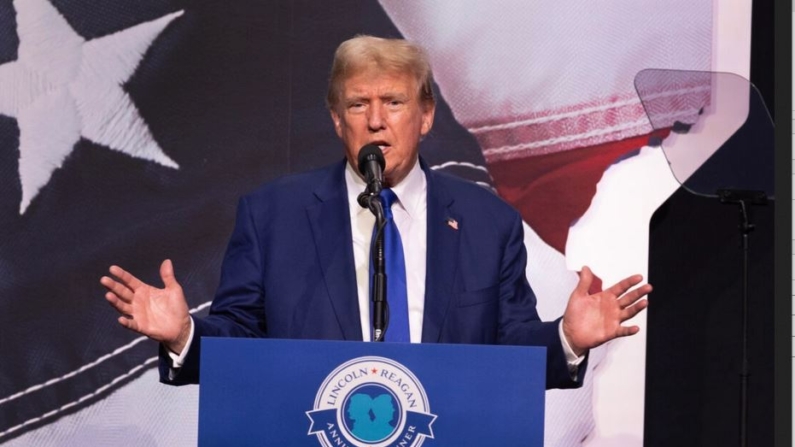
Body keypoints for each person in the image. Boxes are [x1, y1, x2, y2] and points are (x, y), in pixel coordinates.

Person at [100, 35, 650, 389]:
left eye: (395, 102)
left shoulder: (488, 224)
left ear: (427, 116)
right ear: (338, 121)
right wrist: (183, 337)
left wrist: (567, 340)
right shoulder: (273, 216)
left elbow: (508, 359)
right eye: (358, 104)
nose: (377, 120)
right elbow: (242, 343)